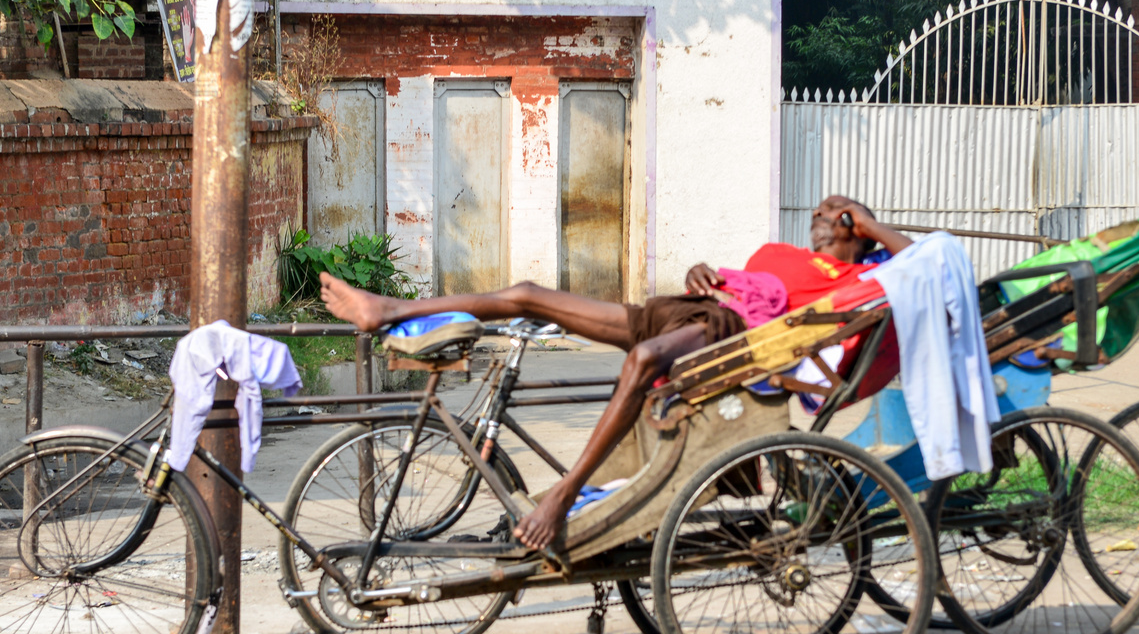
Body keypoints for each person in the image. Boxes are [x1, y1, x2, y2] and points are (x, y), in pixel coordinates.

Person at [318, 195, 914, 552]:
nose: (818, 214)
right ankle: (390, 308)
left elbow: (929, 264)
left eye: (834, 212)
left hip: (734, 341)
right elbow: (735, 282)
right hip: (697, 315)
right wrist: (703, 270)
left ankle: (563, 495)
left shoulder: (862, 280)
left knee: (642, 362)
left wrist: (870, 221)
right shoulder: (785, 254)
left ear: (855, 227)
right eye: (821, 208)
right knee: (529, 293)